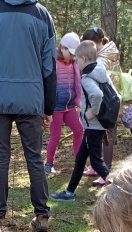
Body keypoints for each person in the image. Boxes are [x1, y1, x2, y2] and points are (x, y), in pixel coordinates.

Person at [0, 0, 56, 232]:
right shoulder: (42, 15)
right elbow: (49, 65)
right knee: (34, 158)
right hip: (30, 97)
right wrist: (49, 107)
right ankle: (41, 214)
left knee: (0, 156)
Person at [49, 40, 112, 202]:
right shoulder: (100, 71)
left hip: (93, 126)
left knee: (97, 163)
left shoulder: (87, 77)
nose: (76, 63)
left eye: (77, 60)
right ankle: (69, 192)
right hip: (96, 125)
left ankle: (121, 189)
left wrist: (92, 112)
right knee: (80, 160)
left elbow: (97, 95)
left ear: (84, 58)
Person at [44, 32, 83, 177]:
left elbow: (77, 83)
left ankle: (79, 162)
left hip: (70, 106)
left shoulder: (73, 64)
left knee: (79, 130)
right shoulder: (53, 63)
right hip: (56, 108)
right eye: (71, 53)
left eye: (75, 54)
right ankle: (48, 165)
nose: (73, 57)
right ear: (62, 48)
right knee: (56, 135)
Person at [81, 27, 119, 175]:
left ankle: (105, 171)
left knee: (105, 134)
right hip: (107, 98)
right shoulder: (105, 52)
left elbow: (96, 87)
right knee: (96, 134)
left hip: (107, 101)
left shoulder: (103, 58)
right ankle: (97, 166)